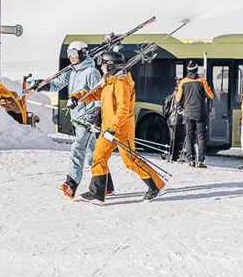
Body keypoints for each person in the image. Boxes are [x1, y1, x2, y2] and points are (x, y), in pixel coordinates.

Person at [71, 50, 166, 204]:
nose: (101, 67)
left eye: (103, 64)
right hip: (108, 128)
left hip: (120, 130)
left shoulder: (122, 84)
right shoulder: (109, 81)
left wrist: (112, 129)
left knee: (131, 161)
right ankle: (97, 193)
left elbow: (124, 110)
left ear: (110, 66)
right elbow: (95, 93)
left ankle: (157, 186)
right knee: (99, 156)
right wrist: (76, 98)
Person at [31, 40, 104, 198]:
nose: (71, 57)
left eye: (74, 54)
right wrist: (41, 85)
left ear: (83, 54)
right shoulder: (73, 71)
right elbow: (57, 84)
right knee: (92, 154)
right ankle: (106, 186)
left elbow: (99, 96)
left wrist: (96, 118)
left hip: (87, 119)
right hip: (77, 117)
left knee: (77, 149)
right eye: (69, 54)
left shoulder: (91, 72)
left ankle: (70, 185)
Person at [175, 62, 214, 168]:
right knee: (201, 136)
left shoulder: (183, 82)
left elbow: (178, 99)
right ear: (196, 70)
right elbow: (210, 96)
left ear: (188, 71)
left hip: (188, 113)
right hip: (200, 113)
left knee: (189, 136)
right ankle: (201, 161)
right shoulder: (202, 81)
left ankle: (191, 160)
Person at [163, 85, 185, 162]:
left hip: (172, 119)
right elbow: (178, 109)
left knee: (176, 138)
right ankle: (175, 156)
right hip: (176, 119)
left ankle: (164, 151)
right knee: (178, 138)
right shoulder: (179, 95)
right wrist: (186, 112)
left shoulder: (173, 94)